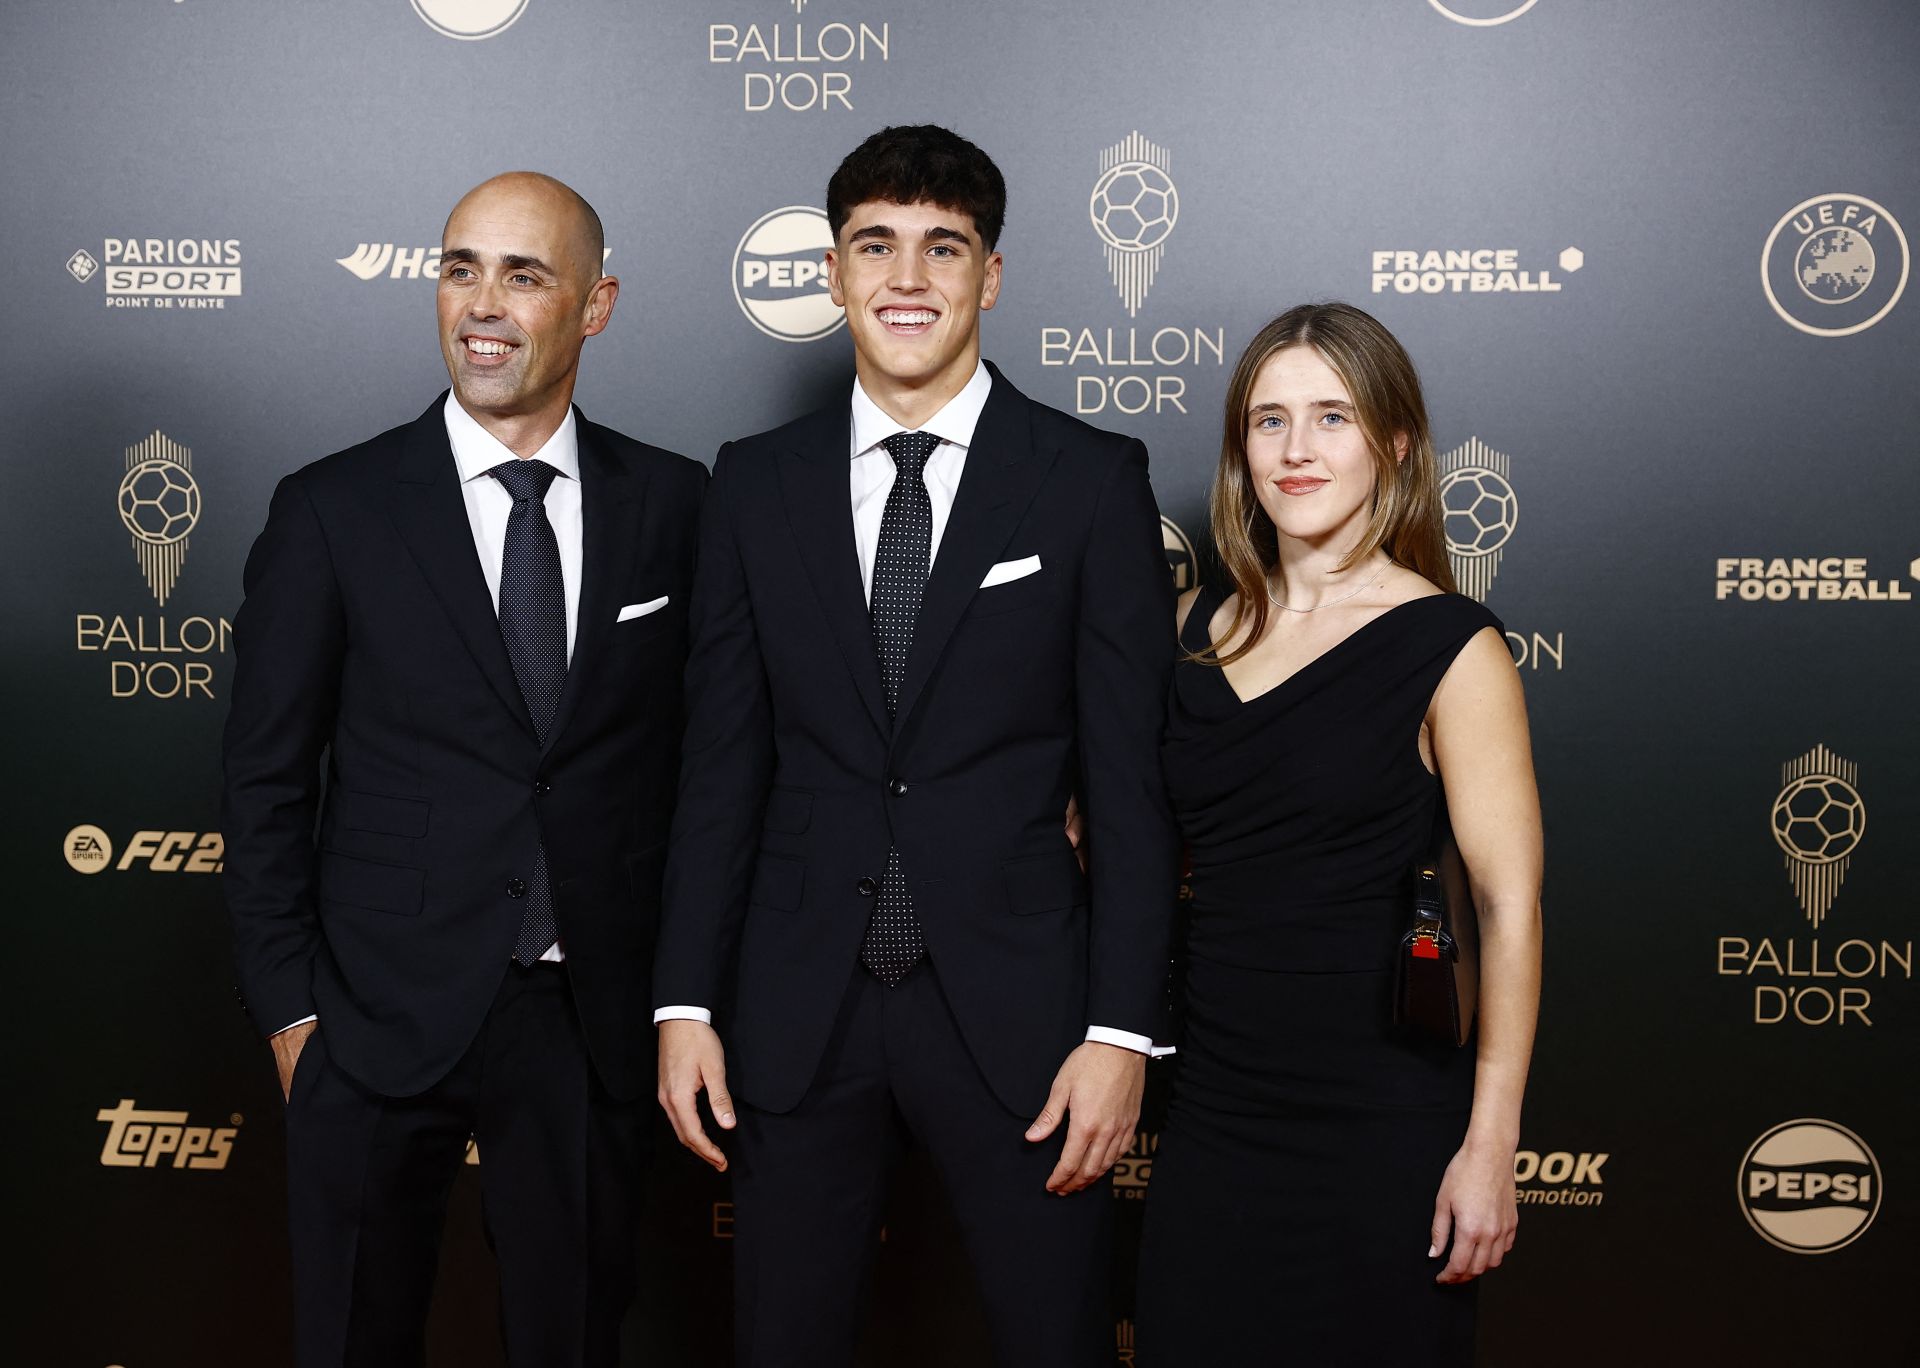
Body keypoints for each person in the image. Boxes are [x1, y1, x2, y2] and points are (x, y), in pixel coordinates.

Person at [651, 124, 1179, 1367]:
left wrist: (1121, 1035)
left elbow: (1132, 787)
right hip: (797, 1007)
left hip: (1023, 1014)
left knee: (1055, 1340)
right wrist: (684, 998)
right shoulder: (753, 483)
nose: (907, 276)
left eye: (943, 248)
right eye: (875, 245)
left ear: (989, 276)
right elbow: (720, 766)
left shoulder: (1089, 480)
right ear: (832, 273)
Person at [221, 171, 705, 1367]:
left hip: (588, 1018)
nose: (481, 304)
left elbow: (714, 767)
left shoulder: (680, 507)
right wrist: (294, 1015)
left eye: (524, 275)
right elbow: (264, 784)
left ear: (596, 306)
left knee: (579, 1338)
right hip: (373, 1012)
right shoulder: (333, 509)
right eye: (459, 267)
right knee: (350, 1336)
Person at [1135, 302, 1543, 1366]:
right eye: (1269, 421)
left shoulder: (1451, 646)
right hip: (1216, 1119)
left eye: (1332, 417)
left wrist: (1490, 1145)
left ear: (1395, 443)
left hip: (1383, 1127)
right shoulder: (1189, 636)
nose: (1296, 450)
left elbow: (1509, 906)